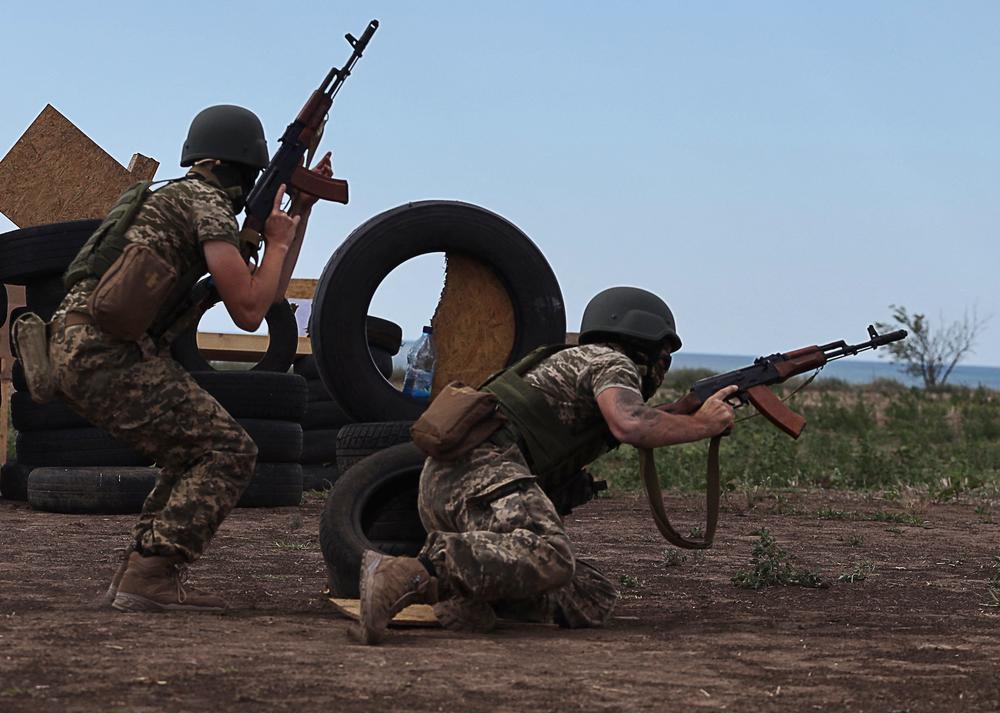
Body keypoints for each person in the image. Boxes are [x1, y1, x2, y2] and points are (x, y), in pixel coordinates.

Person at [47, 104, 332, 613]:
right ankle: (151, 573)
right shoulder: (207, 206)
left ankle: (137, 574)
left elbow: (266, 294)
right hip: (105, 355)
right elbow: (248, 312)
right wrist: (277, 239)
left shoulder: (178, 198)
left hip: (80, 350)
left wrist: (295, 218)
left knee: (191, 451)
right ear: (247, 165)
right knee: (230, 451)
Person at [357, 286, 738, 644]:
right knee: (550, 553)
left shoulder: (575, 360)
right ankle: (409, 574)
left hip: (451, 481)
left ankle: (468, 598)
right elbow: (632, 423)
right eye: (663, 357)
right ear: (645, 343)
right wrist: (706, 424)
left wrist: (687, 414)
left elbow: (634, 419)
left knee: (588, 597)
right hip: (483, 472)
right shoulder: (613, 363)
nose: (662, 368)